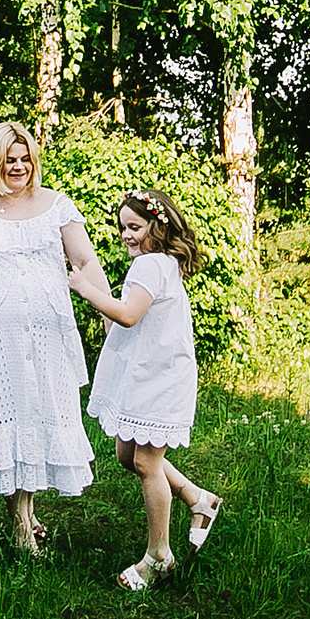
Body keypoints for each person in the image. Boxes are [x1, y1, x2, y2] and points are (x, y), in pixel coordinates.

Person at [69, 188, 224, 591]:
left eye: (135, 227)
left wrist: (85, 288)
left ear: (158, 227)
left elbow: (129, 315)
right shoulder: (161, 263)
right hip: (151, 374)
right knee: (127, 454)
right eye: (123, 227)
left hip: (160, 380)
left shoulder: (150, 265)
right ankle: (198, 499)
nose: (127, 235)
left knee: (145, 463)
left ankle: (159, 556)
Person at [0, 120, 106, 552]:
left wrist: (109, 313)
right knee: (10, 414)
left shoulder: (57, 205)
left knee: (40, 414)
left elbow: (86, 262)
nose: (19, 167)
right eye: (9, 160)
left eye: (25, 159)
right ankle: (21, 524)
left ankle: (26, 515)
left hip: (49, 336)